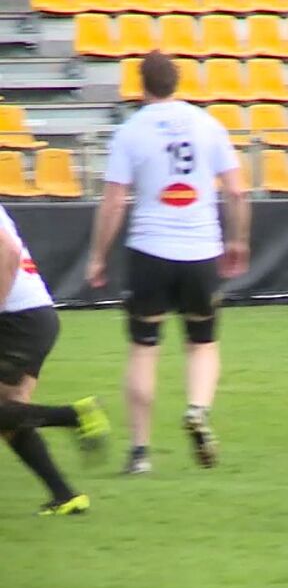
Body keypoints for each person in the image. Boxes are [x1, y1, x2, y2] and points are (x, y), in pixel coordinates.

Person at [86, 50, 250, 474]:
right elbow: (236, 191)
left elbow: (113, 201)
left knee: (144, 349)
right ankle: (197, 409)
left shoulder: (131, 131)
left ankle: (140, 452)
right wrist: (238, 241)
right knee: (202, 343)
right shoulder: (208, 125)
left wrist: (98, 256)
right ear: (177, 82)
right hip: (200, 251)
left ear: (141, 86)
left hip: (150, 250)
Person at [0, 203, 110, 515]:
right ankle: (65, 496)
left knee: (7, 412)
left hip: (17, 320)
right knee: (10, 415)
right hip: (34, 316)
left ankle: (74, 416)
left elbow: (7, 248)